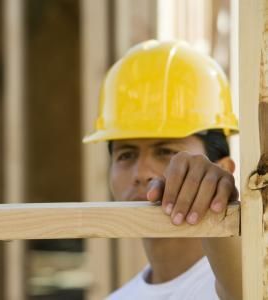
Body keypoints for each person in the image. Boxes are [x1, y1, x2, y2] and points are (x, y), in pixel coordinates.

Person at [83, 40, 241, 300]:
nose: (141, 173)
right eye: (126, 155)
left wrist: (222, 216)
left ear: (223, 169)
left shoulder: (251, 281)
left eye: (166, 152)